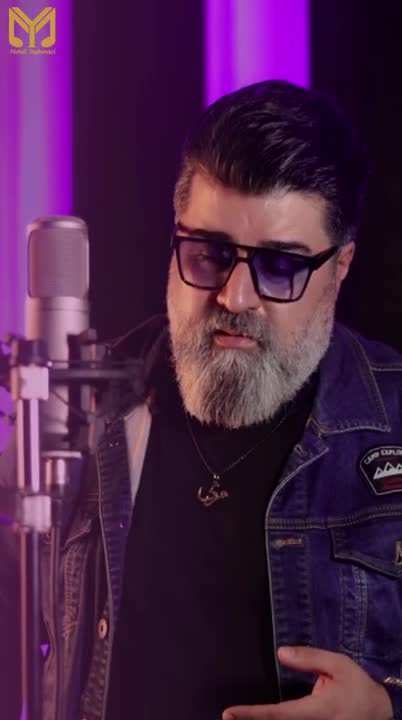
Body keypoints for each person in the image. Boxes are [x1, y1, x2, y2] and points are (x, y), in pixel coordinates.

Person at [1, 79, 402, 720]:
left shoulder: (393, 421)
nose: (235, 297)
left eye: (280, 266)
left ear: (341, 266)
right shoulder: (76, 413)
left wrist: (386, 707)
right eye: (210, 253)